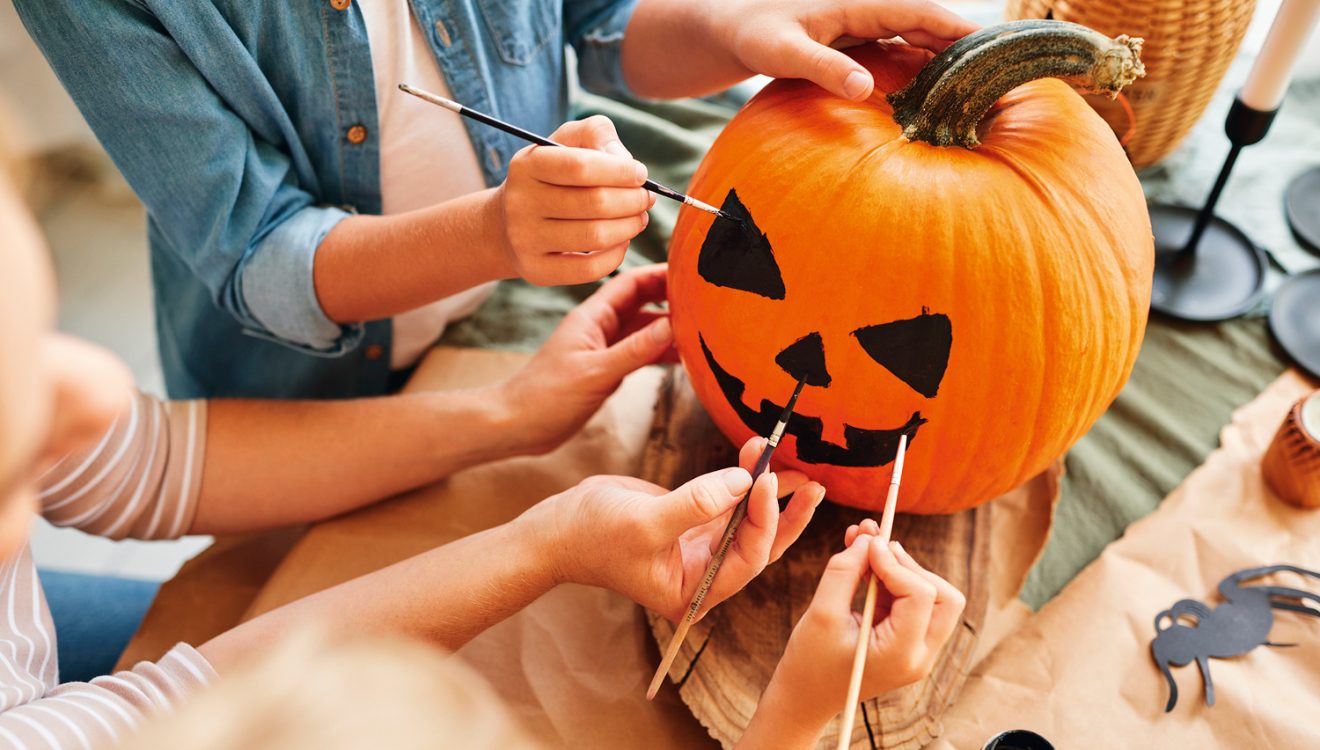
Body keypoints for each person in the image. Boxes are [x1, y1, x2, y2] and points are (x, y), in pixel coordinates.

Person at [0, 149, 964, 747]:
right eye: (15, 472)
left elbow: (132, 454)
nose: (70, 392)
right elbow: (190, 720)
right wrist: (793, 722)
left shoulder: (43, 399)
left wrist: (509, 413)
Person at [13, 0, 977, 399]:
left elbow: (601, 21)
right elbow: (256, 252)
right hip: (307, 396)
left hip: (512, 317)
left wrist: (738, 27)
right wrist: (492, 233)